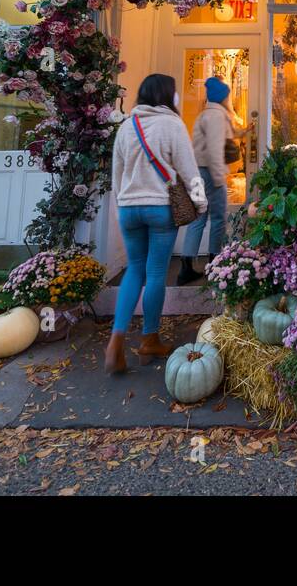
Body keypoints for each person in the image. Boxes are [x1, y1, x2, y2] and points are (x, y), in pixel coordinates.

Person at [105, 74, 207, 374]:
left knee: (134, 270)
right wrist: (201, 203)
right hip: (160, 208)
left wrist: (120, 208)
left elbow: (117, 175)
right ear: (167, 95)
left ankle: (116, 338)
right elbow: (190, 172)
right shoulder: (172, 125)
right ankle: (149, 338)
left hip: (128, 209)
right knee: (156, 273)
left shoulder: (126, 126)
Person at [177, 76, 237, 284]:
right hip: (210, 174)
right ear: (222, 97)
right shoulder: (216, 116)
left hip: (196, 172)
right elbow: (214, 150)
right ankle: (215, 263)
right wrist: (219, 177)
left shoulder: (204, 115)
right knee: (218, 219)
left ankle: (186, 267)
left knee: (198, 218)